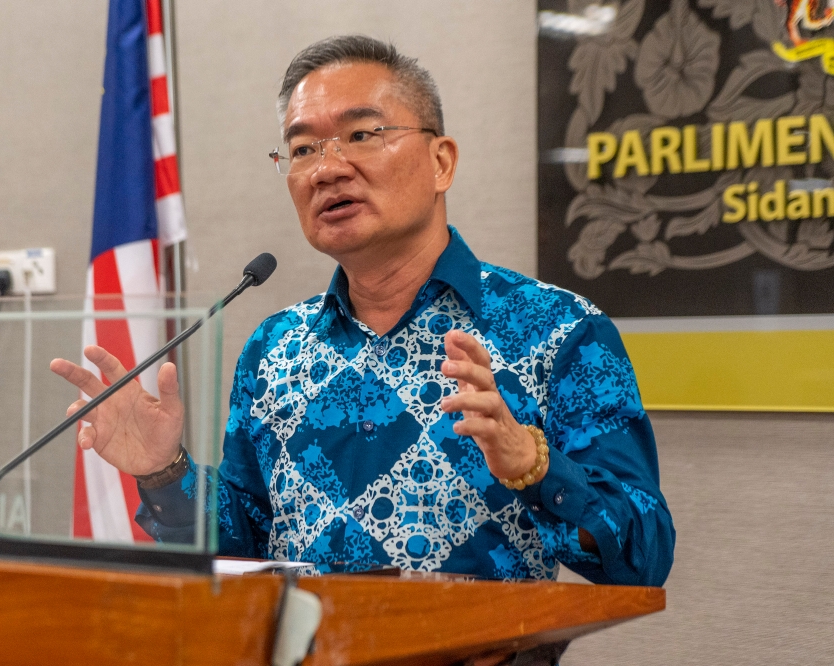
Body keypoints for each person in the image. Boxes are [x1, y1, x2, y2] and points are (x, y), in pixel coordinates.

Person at [51, 35, 675, 585]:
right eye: (301, 150)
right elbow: (244, 547)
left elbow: (644, 557)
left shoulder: (559, 330)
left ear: (441, 162)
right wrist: (166, 471)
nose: (327, 169)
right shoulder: (274, 348)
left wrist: (533, 463)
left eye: (361, 135)